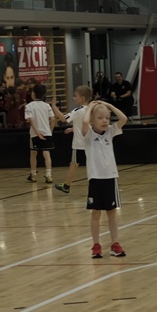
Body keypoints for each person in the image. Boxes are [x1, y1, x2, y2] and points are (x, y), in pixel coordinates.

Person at [80, 100, 127, 258]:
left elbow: (123, 118)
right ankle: (96, 245)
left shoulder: (110, 132)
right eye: (100, 118)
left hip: (110, 178)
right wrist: (90, 107)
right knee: (95, 213)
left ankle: (115, 244)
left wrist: (109, 106)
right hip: (95, 178)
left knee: (112, 213)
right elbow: (85, 122)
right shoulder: (88, 135)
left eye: (107, 118)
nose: (105, 121)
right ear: (92, 120)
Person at [51, 85, 91, 194]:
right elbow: (88, 125)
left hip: (79, 144)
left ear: (82, 98)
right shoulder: (90, 109)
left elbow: (63, 118)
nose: (73, 98)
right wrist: (73, 129)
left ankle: (66, 185)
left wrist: (54, 107)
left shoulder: (78, 110)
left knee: (73, 164)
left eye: (75, 96)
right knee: (92, 165)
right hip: (90, 143)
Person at [24, 83, 54, 183]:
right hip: (47, 132)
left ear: (33, 94)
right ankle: (48, 175)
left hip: (34, 134)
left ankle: (33, 174)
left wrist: (37, 133)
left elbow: (31, 120)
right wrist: (50, 131)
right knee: (46, 153)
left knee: (33, 153)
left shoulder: (29, 106)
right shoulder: (47, 106)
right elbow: (53, 119)